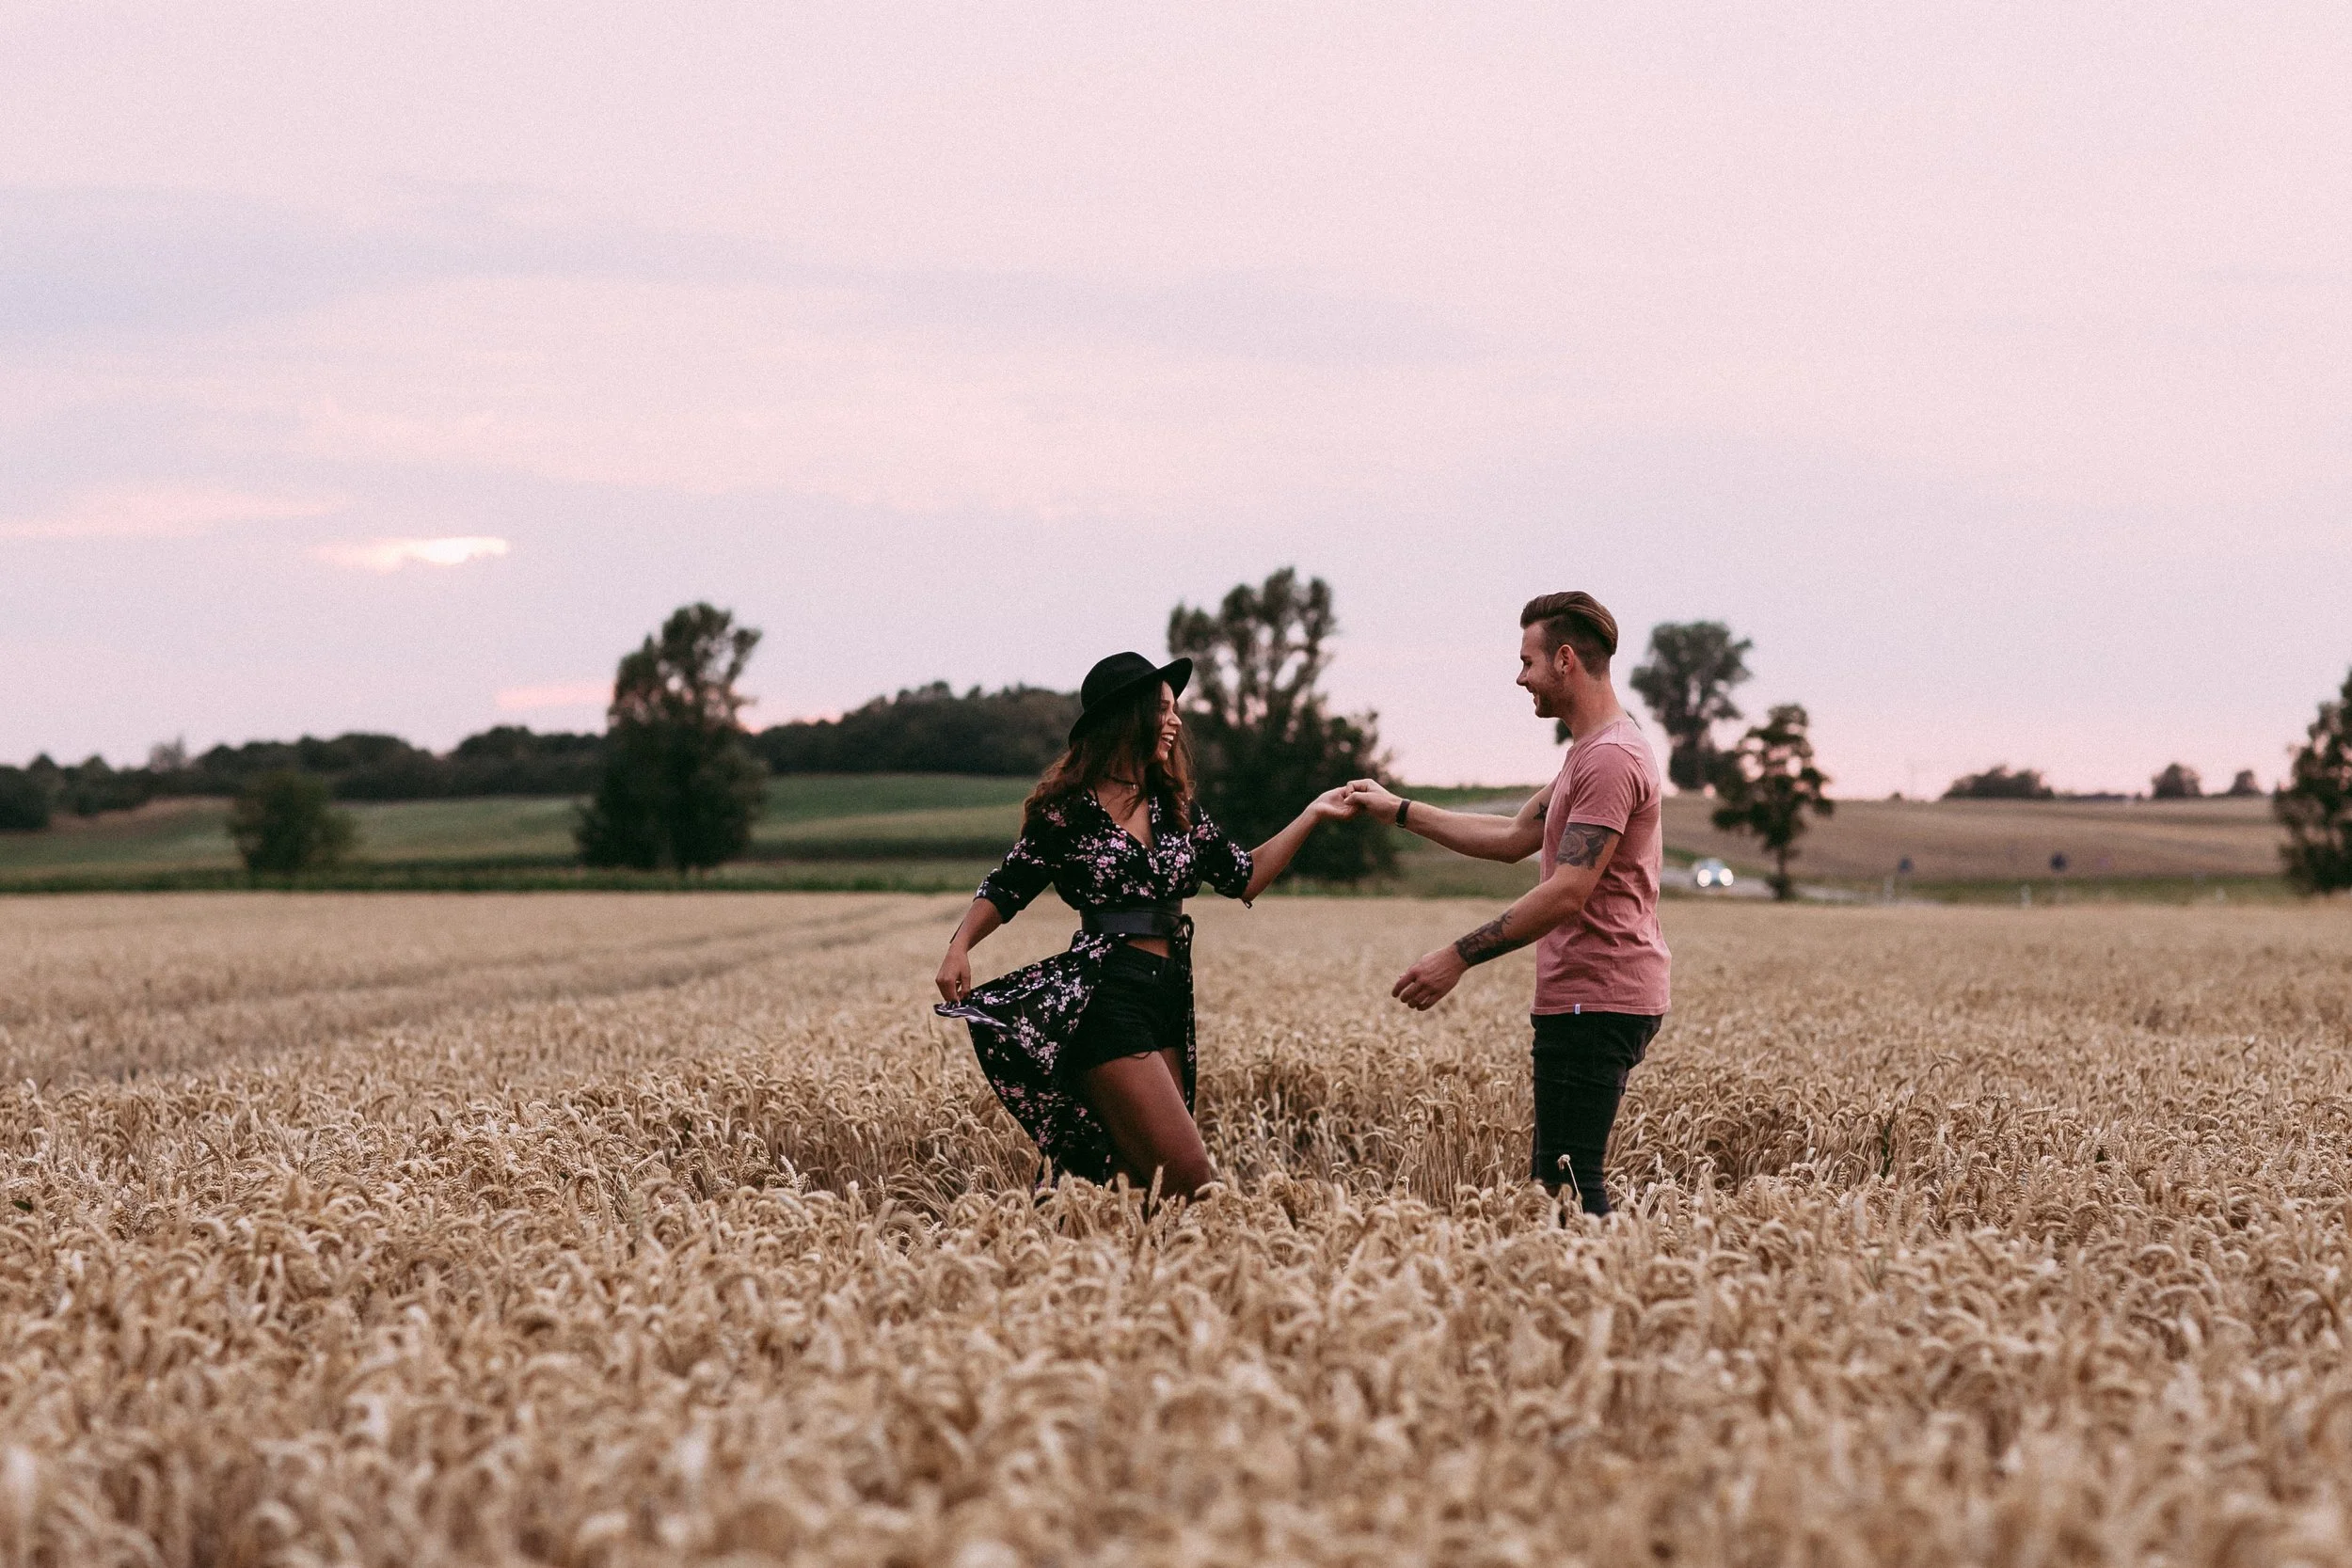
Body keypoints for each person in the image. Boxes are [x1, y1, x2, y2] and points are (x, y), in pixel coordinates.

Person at [935, 650, 1353, 1199]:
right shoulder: (1067, 812)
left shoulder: (1175, 808)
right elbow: (1008, 885)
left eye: (1176, 709)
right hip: (1105, 993)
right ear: (1127, 716)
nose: (1176, 721)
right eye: (1163, 708)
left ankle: (1067, 1266)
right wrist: (959, 944)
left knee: (1134, 1185)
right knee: (1189, 1180)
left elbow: (1244, 877)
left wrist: (1314, 813)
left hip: (1168, 994)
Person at [1345, 591, 1670, 1215]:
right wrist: (1401, 810)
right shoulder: (1593, 751)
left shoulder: (1608, 758)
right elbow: (1513, 837)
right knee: (1558, 1186)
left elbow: (1568, 891)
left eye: (1527, 660)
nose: (1520, 676)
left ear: (1566, 660)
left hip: (1596, 994)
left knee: (1570, 1188)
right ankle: (1580, 1301)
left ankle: (1610, 1303)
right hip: (1588, 992)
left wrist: (1457, 956)